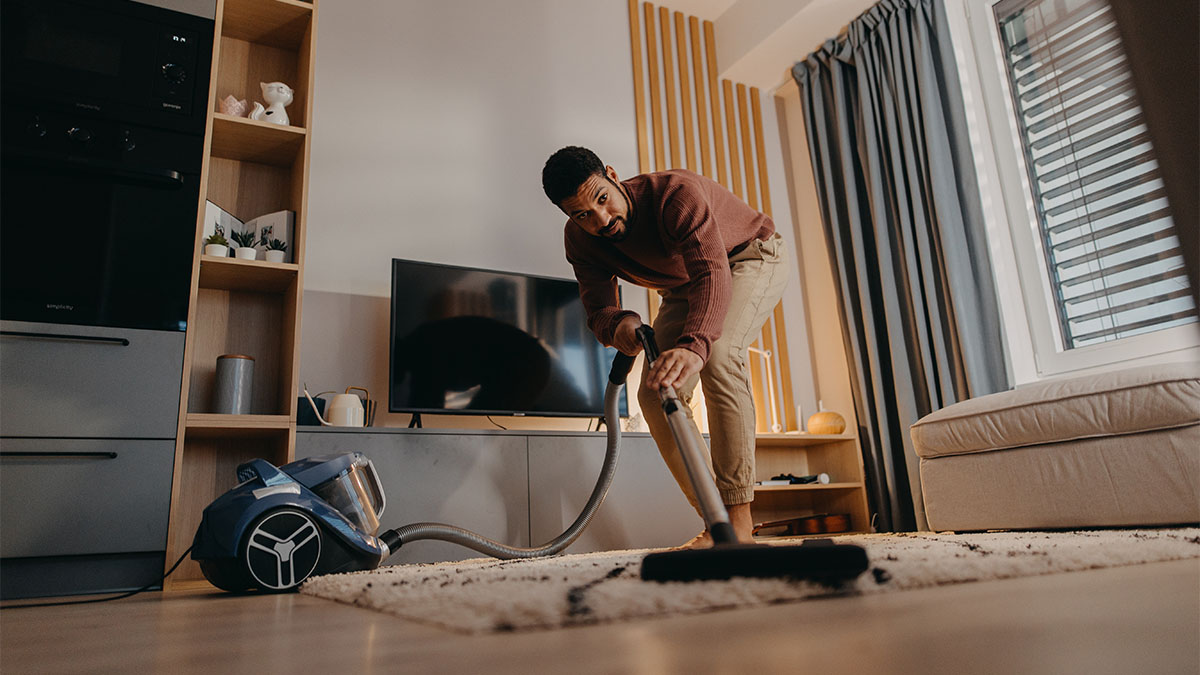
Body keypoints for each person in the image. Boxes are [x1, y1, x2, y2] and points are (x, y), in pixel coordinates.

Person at [541, 146, 789, 547]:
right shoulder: (580, 240)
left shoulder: (675, 194)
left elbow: (711, 271)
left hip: (749, 257)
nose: (601, 220)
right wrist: (619, 325)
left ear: (613, 175)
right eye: (582, 215)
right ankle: (717, 522)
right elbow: (600, 311)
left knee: (719, 356)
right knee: (655, 393)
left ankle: (739, 524)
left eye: (602, 199)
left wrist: (695, 344)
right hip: (682, 286)